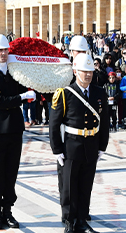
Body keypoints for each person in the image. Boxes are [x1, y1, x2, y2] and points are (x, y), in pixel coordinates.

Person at [49, 53, 108, 233]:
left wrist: (102, 146)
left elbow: (104, 121)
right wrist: (57, 149)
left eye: (90, 71)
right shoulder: (65, 93)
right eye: (84, 71)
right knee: (69, 186)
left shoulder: (99, 92)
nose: (88, 74)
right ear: (75, 71)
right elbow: (54, 123)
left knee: (85, 185)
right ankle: (69, 220)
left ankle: (82, 219)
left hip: (91, 144)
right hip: (71, 146)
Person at [0, 34, 34, 230]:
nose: (3, 53)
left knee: (11, 171)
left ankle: (7, 210)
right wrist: (21, 97)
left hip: (14, 127)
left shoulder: (15, 71)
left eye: (5, 50)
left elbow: (21, 89)